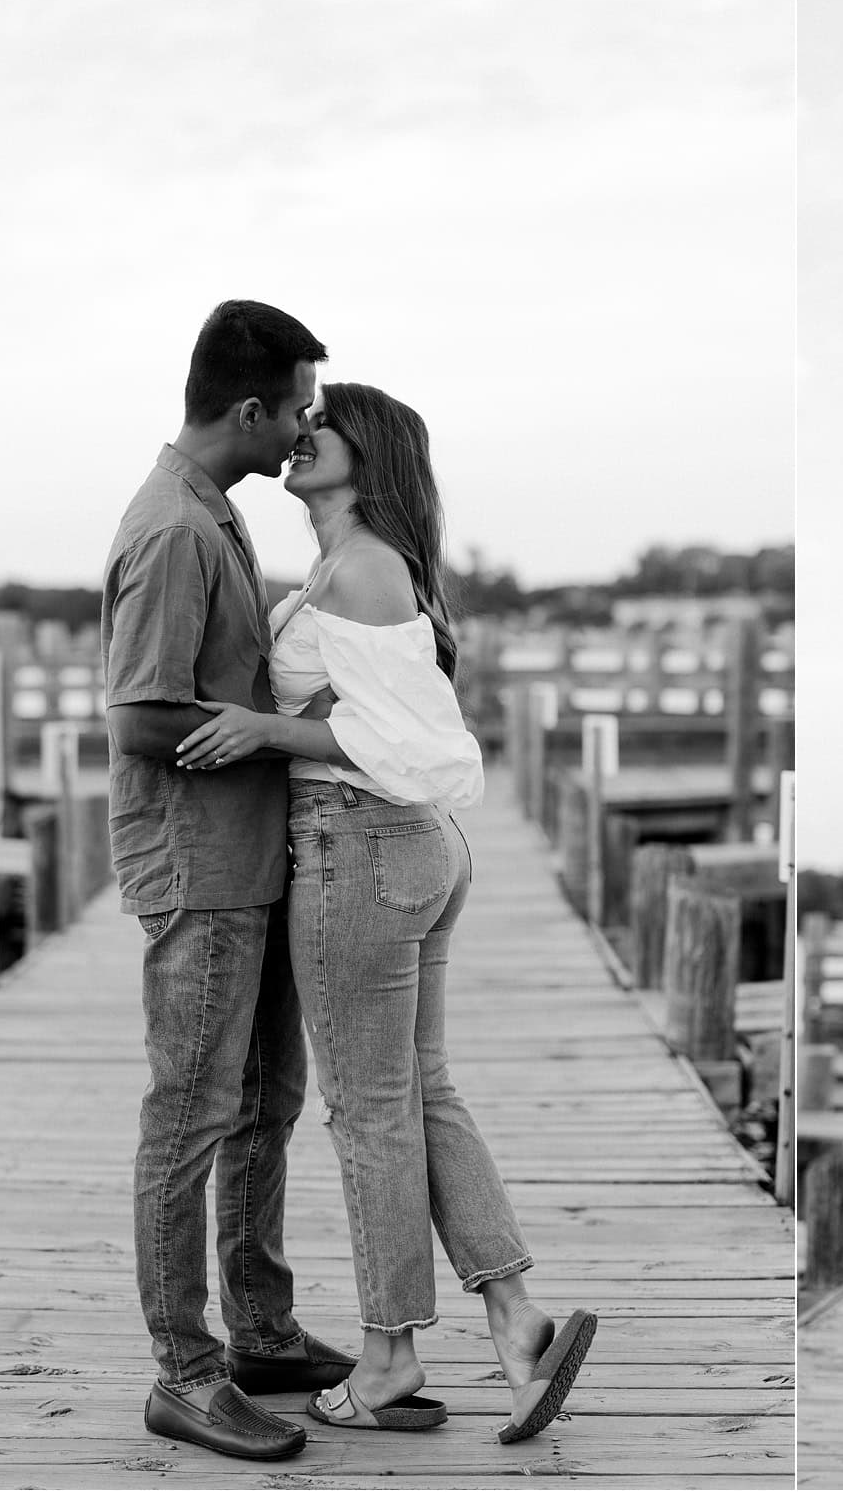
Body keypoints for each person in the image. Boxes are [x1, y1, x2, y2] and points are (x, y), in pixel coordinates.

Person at [174, 381, 597, 1442]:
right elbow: (376, 721)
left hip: (359, 845)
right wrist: (292, 717)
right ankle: (515, 1319)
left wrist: (266, 731)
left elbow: (416, 747)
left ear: (368, 453)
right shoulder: (346, 566)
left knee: (369, 1111)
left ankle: (389, 1355)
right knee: (419, 1093)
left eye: (323, 423)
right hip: (400, 848)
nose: (299, 431)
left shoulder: (362, 567)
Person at [104, 299, 354, 1462]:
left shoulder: (215, 515)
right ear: (248, 409)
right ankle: (184, 1372)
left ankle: (257, 1330)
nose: (304, 427)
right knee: (191, 1118)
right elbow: (143, 713)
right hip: (197, 869)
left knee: (267, 1106)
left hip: (253, 861)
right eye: (298, 406)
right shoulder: (173, 531)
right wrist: (261, 729)